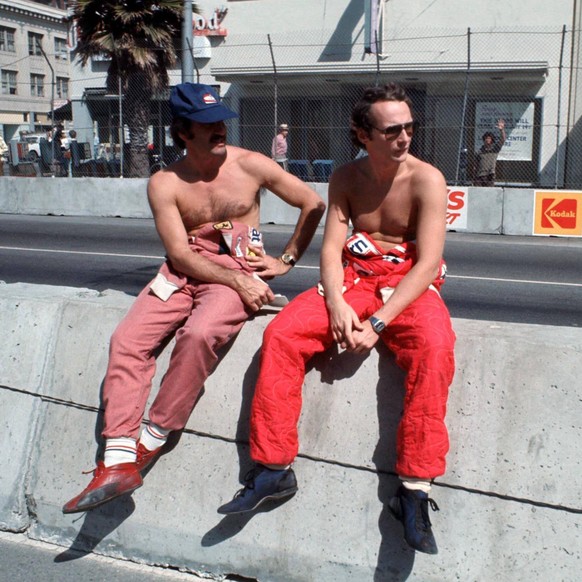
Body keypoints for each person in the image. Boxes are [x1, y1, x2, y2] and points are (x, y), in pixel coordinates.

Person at [62, 82, 325, 514]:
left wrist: (285, 261)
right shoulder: (165, 183)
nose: (219, 128)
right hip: (184, 270)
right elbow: (180, 253)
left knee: (200, 334)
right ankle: (117, 462)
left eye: (220, 120)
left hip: (239, 266)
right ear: (183, 132)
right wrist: (238, 284)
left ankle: (152, 439)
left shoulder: (251, 165)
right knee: (127, 341)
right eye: (207, 124)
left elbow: (312, 204)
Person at [219, 84, 456, 556]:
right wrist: (336, 305)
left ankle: (413, 491)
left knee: (435, 347)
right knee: (282, 333)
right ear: (364, 135)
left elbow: (429, 263)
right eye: (392, 130)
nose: (405, 136)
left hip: (408, 282)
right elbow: (331, 247)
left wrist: (379, 324)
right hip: (353, 277)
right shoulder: (346, 177)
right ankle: (273, 469)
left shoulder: (428, 179)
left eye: (409, 126)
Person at [474, 118, 506, 186]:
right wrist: (474, 176)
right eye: (486, 138)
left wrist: (502, 130)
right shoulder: (480, 151)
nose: (487, 140)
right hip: (480, 175)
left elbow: (502, 140)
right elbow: (476, 165)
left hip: (490, 175)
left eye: (489, 138)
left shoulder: (495, 149)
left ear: (492, 140)